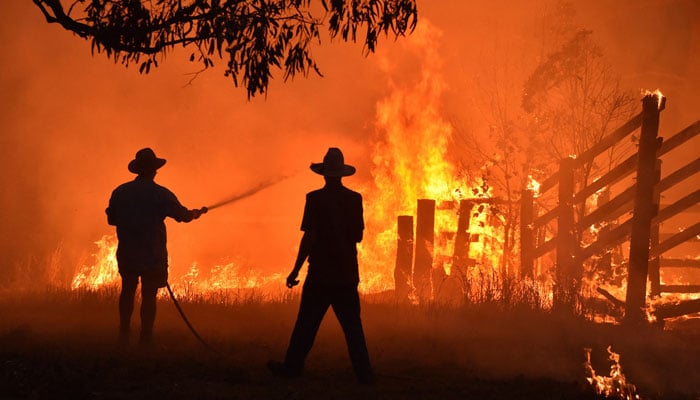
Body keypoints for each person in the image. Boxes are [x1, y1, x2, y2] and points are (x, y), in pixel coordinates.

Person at [268, 147, 375, 384]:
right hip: (346, 274)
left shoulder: (314, 199)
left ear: (325, 174)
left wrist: (295, 270)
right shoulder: (354, 199)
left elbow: (309, 237)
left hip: (320, 274)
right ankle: (365, 375)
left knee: (306, 324)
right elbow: (358, 236)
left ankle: (292, 368)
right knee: (353, 328)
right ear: (341, 174)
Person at [106, 147, 206, 346]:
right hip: (152, 253)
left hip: (128, 251)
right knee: (149, 295)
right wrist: (195, 213)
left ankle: (123, 334)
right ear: (153, 171)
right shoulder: (161, 194)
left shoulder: (120, 192)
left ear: (137, 170)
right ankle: (145, 338)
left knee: (127, 290)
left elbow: (112, 220)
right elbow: (183, 216)